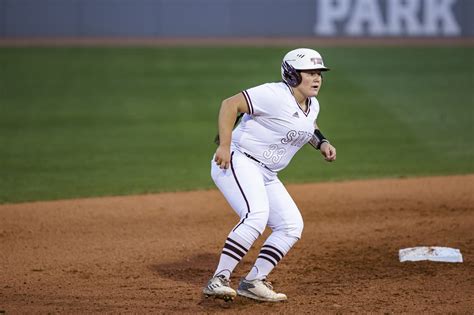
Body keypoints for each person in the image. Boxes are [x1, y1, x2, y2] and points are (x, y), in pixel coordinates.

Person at [203, 48, 337, 302]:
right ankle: (218, 278)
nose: (317, 78)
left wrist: (322, 143)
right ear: (292, 74)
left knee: (291, 226)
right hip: (239, 161)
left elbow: (309, 125)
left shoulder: (312, 104)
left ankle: (253, 281)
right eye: (310, 72)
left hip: (267, 173)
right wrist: (224, 145)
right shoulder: (273, 94)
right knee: (256, 216)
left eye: (319, 73)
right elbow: (230, 104)